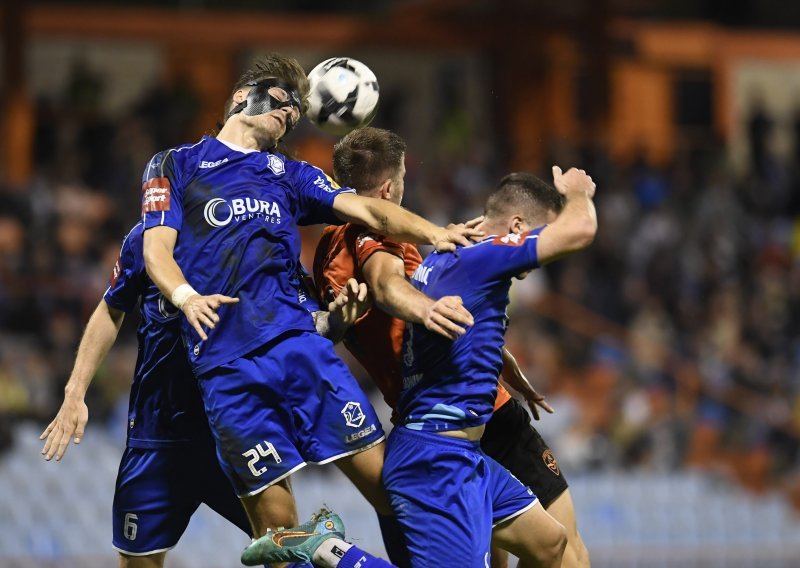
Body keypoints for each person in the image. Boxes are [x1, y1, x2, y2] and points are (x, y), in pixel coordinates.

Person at [139, 53, 480, 546]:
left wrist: (436, 232)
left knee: (395, 492)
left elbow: (369, 209)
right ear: (241, 97)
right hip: (225, 368)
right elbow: (156, 251)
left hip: (299, 350)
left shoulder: (288, 173)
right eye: (281, 100)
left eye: (297, 110)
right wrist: (186, 296)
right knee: (280, 534)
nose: (290, 113)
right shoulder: (176, 164)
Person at [244, 166, 596, 568]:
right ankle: (324, 548)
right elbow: (579, 231)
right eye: (535, 232)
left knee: (551, 543)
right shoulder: (479, 257)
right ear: (516, 227)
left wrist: (498, 358)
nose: (536, 254)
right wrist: (577, 193)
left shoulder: (444, 259)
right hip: (437, 459)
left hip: (464, 453)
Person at [39, 221, 368, 567]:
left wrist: (339, 322)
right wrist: (75, 391)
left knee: (287, 553)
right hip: (158, 435)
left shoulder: (262, 234)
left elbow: (305, 326)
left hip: (239, 430)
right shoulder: (147, 238)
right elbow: (111, 308)